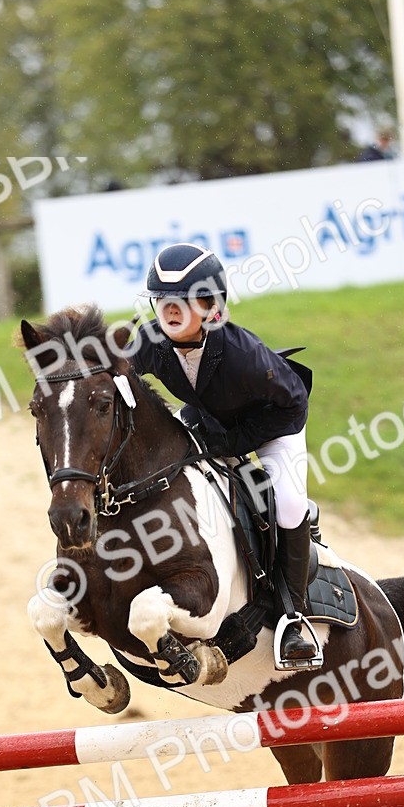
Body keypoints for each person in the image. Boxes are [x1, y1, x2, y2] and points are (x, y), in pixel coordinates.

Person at [128, 242, 321, 669]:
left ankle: (295, 617)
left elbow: (294, 405)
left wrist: (236, 444)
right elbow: (112, 366)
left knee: (287, 505)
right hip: (211, 420)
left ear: (210, 306)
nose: (169, 310)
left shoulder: (243, 354)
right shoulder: (152, 341)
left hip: (274, 426)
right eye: (161, 300)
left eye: (181, 300)